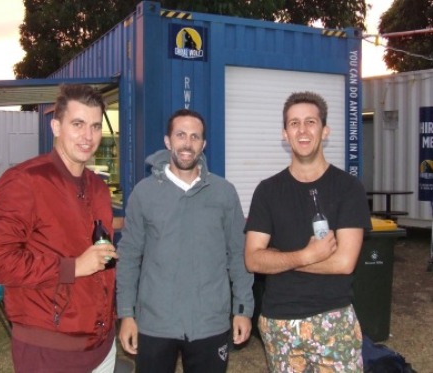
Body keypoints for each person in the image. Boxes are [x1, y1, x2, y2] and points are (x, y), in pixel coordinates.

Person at [0, 84, 119, 373]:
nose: (88, 136)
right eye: (78, 124)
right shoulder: (24, 181)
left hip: (103, 347)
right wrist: (72, 267)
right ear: (56, 126)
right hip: (50, 351)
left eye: (94, 126)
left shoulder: (98, 187)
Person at [116, 108, 254, 373]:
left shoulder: (224, 193)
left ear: (203, 144)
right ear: (168, 141)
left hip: (209, 324)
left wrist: (243, 308)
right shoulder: (144, 194)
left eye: (195, 136)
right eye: (180, 135)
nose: (187, 143)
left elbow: (238, 254)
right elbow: (130, 257)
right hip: (154, 324)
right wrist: (126, 314)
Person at [244, 91, 372, 372]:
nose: (302, 130)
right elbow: (253, 260)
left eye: (310, 122)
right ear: (284, 134)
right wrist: (307, 254)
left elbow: (343, 263)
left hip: (334, 319)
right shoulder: (267, 191)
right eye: (294, 123)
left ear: (325, 131)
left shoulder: (349, 189)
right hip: (280, 322)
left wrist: (279, 259)